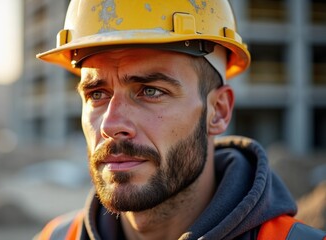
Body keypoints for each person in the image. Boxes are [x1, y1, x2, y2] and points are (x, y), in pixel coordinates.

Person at [34, 0, 326, 239]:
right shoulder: (57, 236)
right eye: (97, 94)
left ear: (219, 111)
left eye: (150, 91)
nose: (111, 125)